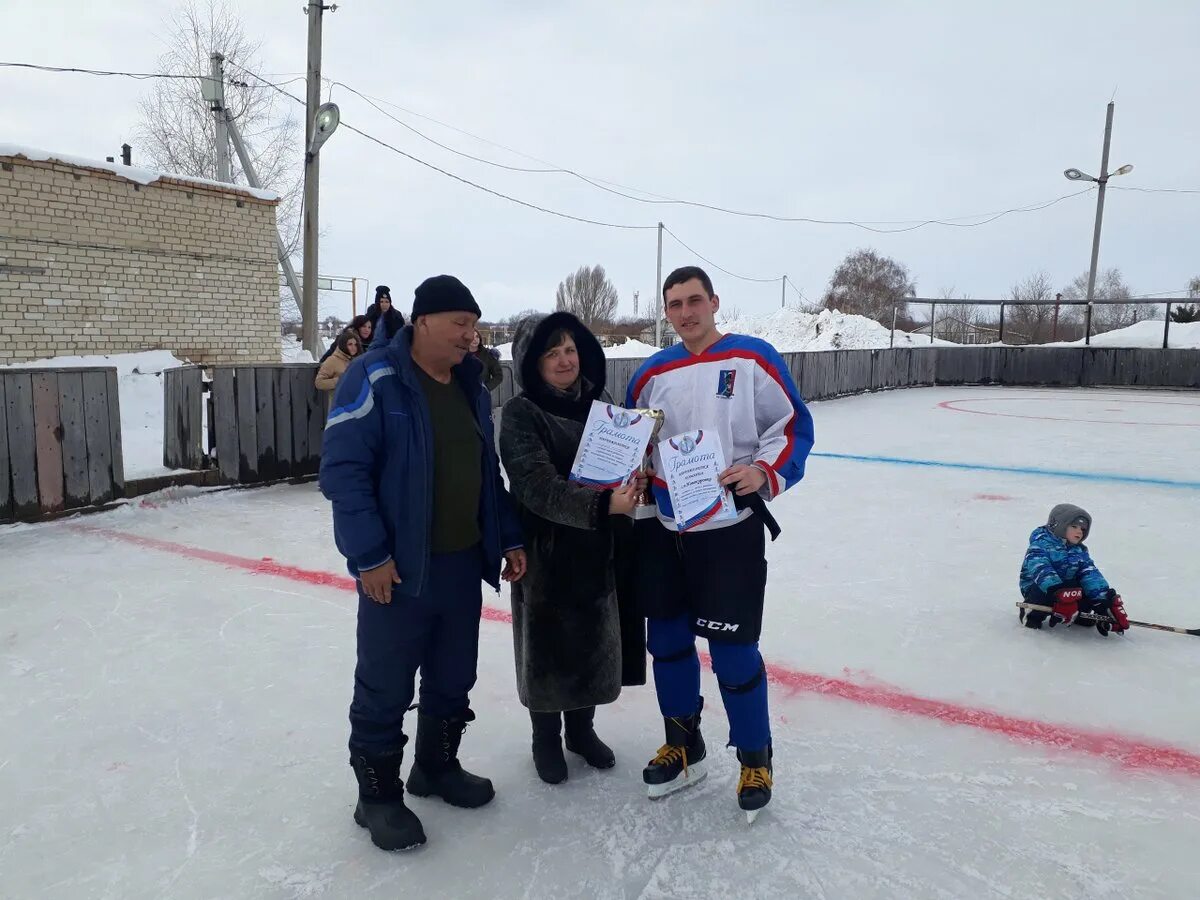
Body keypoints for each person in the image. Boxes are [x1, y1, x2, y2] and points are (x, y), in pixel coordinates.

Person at [320, 274, 527, 852]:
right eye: (461, 324)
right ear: (425, 321)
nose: (471, 336)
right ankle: (378, 797)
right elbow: (345, 473)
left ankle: (435, 768)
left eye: (475, 325)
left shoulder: (467, 385)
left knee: (454, 673)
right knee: (385, 683)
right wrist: (370, 556)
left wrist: (507, 536)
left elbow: (486, 473)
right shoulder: (376, 376)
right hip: (399, 567)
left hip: (462, 562)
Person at [625, 265, 813, 821]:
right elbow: (639, 441)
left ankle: (756, 756)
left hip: (728, 527)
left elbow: (792, 427)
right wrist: (632, 474)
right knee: (669, 642)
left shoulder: (753, 358)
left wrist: (762, 473)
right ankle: (684, 745)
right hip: (664, 526)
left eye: (693, 301)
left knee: (733, 650)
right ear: (667, 312)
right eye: (675, 304)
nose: (685, 312)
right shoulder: (651, 372)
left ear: (713, 301)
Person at [499, 312, 643, 784]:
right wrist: (604, 505)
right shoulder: (522, 414)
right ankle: (545, 738)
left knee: (593, 642)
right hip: (547, 552)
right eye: (551, 352)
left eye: (569, 349)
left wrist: (633, 479)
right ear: (531, 362)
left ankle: (582, 730)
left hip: (600, 549)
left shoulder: (600, 403)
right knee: (548, 649)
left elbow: (622, 461)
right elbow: (537, 486)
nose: (564, 360)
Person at [1019, 504, 1129, 635]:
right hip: (1044, 588)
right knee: (1042, 590)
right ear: (1059, 525)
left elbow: (1090, 574)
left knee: (1084, 588)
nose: (1079, 532)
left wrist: (1103, 601)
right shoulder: (1040, 545)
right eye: (1074, 526)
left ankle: (1079, 614)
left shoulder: (1079, 551)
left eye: (1083, 529)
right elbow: (1041, 569)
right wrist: (1059, 594)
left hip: (1069, 592)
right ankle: (1031, 614)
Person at [470, 328, 504, 393]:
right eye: (472, 337)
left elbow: (498, 376)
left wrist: (486, 388)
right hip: (462, 397)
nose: (475, 339)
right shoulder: (460, 355)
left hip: (481, 396)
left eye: (477, 336)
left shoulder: (488, 355)